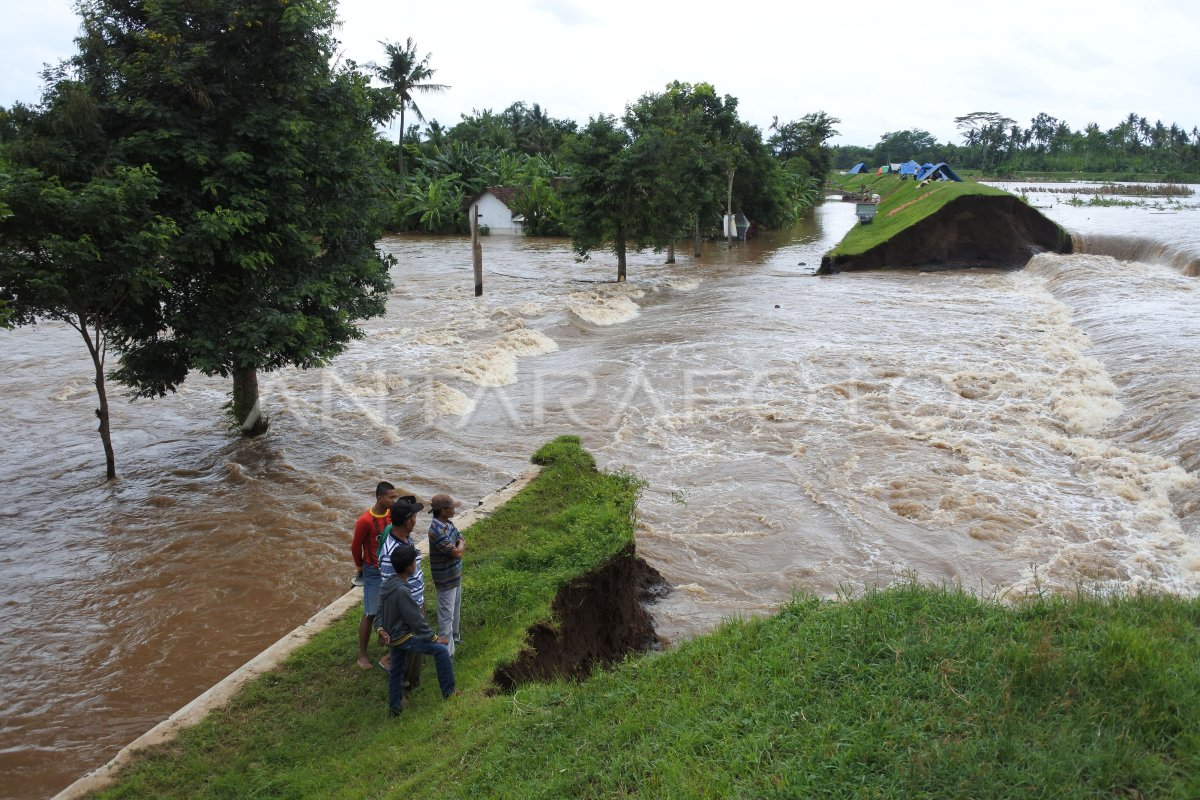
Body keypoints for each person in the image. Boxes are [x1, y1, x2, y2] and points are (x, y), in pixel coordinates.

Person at [375, 543, 457, 716]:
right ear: (409, 567)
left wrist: (380, 629)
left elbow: (379, 612)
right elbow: (416, 620)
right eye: (414, 562)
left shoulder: (387, 585)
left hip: (393, 638)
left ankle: (394, 708)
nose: (415, 565)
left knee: (396, 670)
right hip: (404, 637)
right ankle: (450, 693)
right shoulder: (402, 591)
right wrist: (433, 638)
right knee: (441, 651)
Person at [376, 495, 425, 682]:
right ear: (407, 521)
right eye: (413, 516)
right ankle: (399, 686)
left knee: (414, 649)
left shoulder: (406, 539)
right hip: (405, 610)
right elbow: (389, 589)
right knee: (403, 650)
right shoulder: (391, 554)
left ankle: (409, 682)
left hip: (414, 604)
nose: (415, 520)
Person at [351, 481, 397, 670]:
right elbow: (356, 547)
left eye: (395, 497)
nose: (394, 500)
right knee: (370, 612)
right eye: (390, 497)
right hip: (372, 570)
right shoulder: (365, 521)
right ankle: (362, 655)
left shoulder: (391, 514)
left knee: (389, 607)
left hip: (390, 568)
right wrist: (360, 567)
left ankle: (383, 637)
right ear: (379, 498)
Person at [427, 493, 466, 656]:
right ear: (443, 510)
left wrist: (459, 545)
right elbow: (456, 553)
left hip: (455, 577)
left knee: (454, 610)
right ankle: (446, 652)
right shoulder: (435, 530)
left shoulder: (448, 524)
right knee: (446, 617)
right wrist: (459, 547)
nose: (454, 510)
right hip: (445, 581)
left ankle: (454, 638)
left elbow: (461, 539)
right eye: (452, 508)